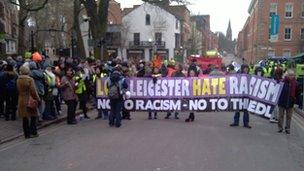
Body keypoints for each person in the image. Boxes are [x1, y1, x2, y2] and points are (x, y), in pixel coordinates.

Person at [17, 66, 40, 139]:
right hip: (30, 99)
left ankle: (26, 134)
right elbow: (33, 91)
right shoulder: (30, 79)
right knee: (33, 116)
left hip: (21, 99)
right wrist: (37, 99)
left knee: (25, 117)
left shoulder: (18, 79)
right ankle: (33, 132)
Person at [230, 64, 252, 129]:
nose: (246, 69)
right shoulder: (238, 76)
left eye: (247, 68)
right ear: (242, 69)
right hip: (239, 95)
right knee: (237, 109)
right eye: (245, 68)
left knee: (246, 110)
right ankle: (236, 122)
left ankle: (246, 123)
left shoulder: (250, 76)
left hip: (246, 95)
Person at [278, 70, 297, 134]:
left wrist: (295, 101)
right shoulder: (283, 82)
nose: (291, 76)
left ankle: (287, 128)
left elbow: (297, 93)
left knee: (289, 117)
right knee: (281, 116)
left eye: (292, 75)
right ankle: (280, 128)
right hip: (282, 102)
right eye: (290, 75)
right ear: (287, 75)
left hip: (290, 103)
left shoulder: (295, 83)